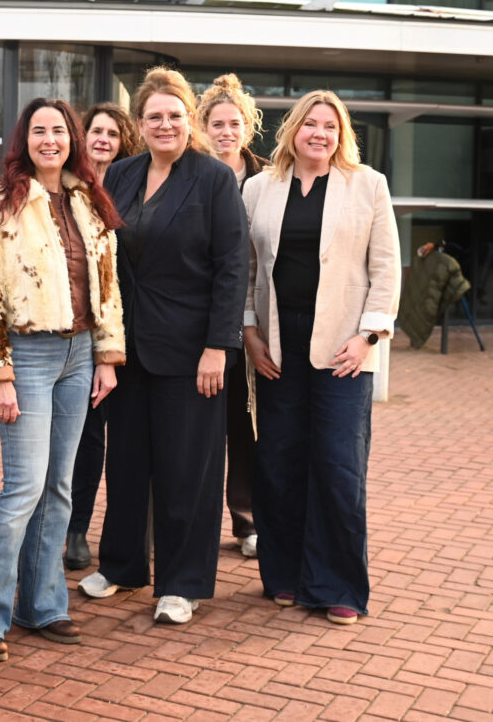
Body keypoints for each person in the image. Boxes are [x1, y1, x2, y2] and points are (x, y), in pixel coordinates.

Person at [0, 97, 125, 662]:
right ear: (23, 141)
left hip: (80, 355)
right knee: (23, 488)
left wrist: (107, 355)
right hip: (26, 356)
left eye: (58, 130)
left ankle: (43, 604)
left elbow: (107, 283)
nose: (49, 140)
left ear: (72, 138)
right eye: (38, 131)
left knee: (58, 488)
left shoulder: (88, 200)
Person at [79, 67, 248, 626]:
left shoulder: (213, 178)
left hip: (192, 353)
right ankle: (123, 565)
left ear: (190, 120)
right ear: (140, 122)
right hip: (128, 349)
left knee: (187, 471)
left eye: (175, 115)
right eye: (154, 116)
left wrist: (218, 347)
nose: (165, 124)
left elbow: (232, 268)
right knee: (127, 464)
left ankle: (182, 582)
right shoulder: (123, 173)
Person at [243, 90, 400, 625]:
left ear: (341, 134)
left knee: (338, 467)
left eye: (330, 126)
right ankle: (285, 576)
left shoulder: (368, 185)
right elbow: (246, 270)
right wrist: (249, 333)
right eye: (311, 123)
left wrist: (368, 336)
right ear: (294, 130)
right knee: (278, 465)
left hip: (343, 350)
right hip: (277, 348)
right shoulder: (258, 188)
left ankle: (338, 586)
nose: (320, 133)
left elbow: (386, 269)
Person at [65, 102, 143, 571]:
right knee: (87, 436)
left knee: (129, 439)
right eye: (96, 131)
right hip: (85, 330)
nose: (103, 140)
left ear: (124, 142)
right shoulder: (68, 186)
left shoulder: (136, 187)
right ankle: (75, 529)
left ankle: (131, 533)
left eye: (113, 134)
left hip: (135, 328)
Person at [195, 73, 269, 560]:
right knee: (201, 430)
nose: (226, 132)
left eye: (234, 124)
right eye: (217, 124)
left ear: (248, 127)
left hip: (255, 322)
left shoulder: (270, 177)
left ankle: (246, 521)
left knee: (246, 428)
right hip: (201, 321)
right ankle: (193, 526)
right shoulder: (191, 173)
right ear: (203, 128)